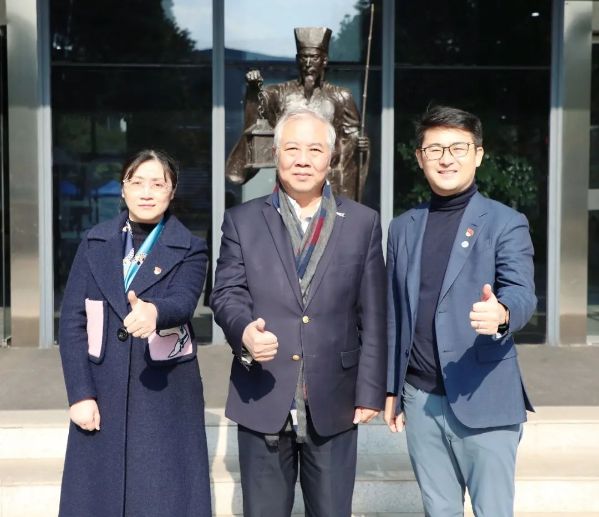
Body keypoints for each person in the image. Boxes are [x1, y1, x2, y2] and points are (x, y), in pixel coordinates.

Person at [211, 108, 386, 517]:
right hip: (263, 392)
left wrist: (370, 390)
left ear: (332, 157)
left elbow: (374, 316)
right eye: (292, 149)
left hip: (335, 396)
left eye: (314, 149)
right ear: (276, 154)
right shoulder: (242, 221)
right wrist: (244, 332)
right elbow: (226, 294)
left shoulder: (362, 223)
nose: (302, 160)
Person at [384, 106, 537, 517]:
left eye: (458, 148)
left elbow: (522, 293)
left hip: (484, 394)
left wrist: (502, 313)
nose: (446, 159)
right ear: (420, 158)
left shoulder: (506, 222)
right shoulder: (403, 227)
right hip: (420, 397)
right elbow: (395, 314)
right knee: (438, 510)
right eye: (434, 149)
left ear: (478, 154)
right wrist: (392, 389)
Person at [58, 149, 211, 517]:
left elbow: (184, 300)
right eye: (137, 182)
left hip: (165, 395)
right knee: (97, 500)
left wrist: (155, 312)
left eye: (157, 184)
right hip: (102, 390)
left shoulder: (190, 247)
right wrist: (80, 393)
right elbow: (72, 321)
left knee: (163, 499)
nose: (146, 192)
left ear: (172, 191)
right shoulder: (95, 241)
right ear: (123, 188)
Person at [226, 27, 370, 201]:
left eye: (314, 57)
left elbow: (349, 143)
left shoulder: (340, 97)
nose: (308, 63)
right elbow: (256, 122)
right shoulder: (279, 94)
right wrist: (253, 91)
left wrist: (360, 144)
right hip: (289, 186)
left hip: (329, 186)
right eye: (303, 57)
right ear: (297, 60)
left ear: (324, 60)